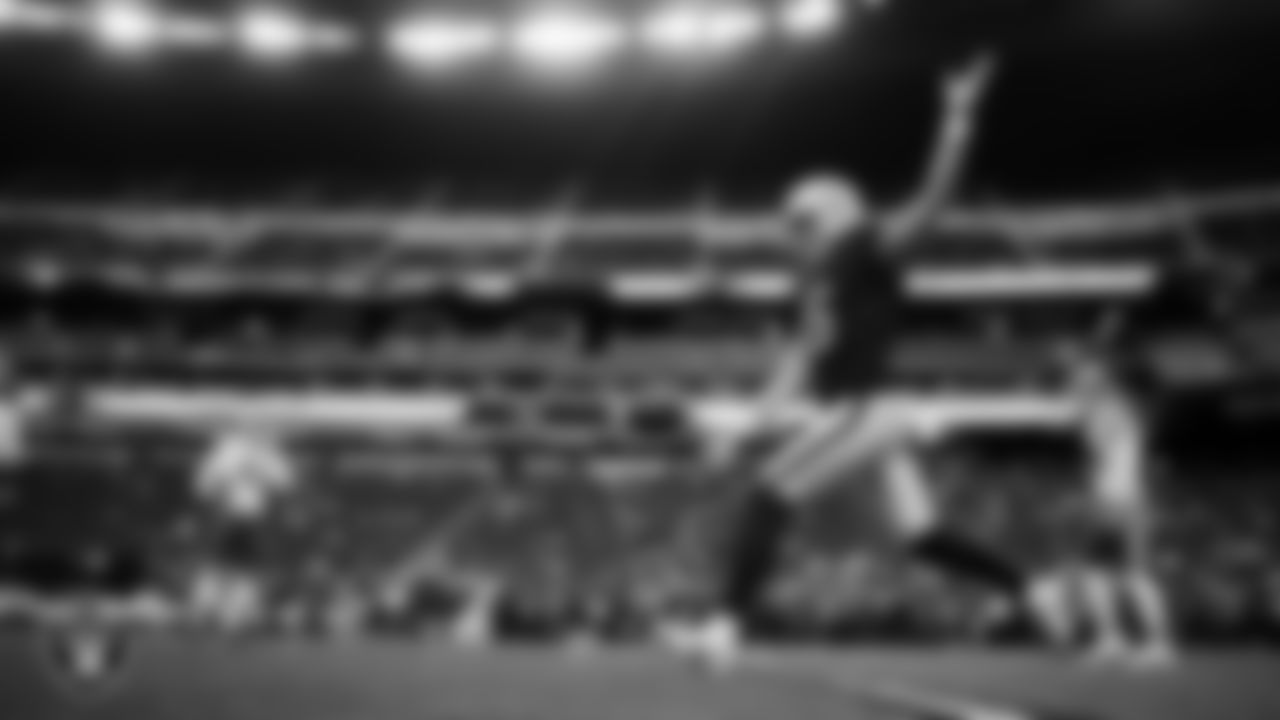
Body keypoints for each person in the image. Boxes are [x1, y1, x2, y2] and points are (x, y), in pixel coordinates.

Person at [672, 51, 1066, 668]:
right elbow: (798, 363)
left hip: (867, 407)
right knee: (921, 535)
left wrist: (956, 119)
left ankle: (724, 628)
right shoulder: (815, 281)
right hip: (858, 411)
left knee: (769, 493)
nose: (793, 233)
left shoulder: (863, 246)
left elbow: (933, 202)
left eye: (801, 221)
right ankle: (1030, 587)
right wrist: (748, 427)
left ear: (833, 212)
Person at [1057, 346, 1177, 668]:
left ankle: (1160, 645)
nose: (1074, 385)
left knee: (1135, 574)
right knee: (1095, 574)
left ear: (1100, 380)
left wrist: (1101, 498)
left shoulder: (1108, 409)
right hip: (1113, 499)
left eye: (1080, 379)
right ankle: (1110, 640)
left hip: (1122, 501)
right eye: (1075, 379)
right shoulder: (1105, 409)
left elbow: (1109, 459)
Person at [191, 421, 297, 631]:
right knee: (221, 566)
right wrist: (227, 478)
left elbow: (285, 484)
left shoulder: (267, 455)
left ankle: (236, 615)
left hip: (253, 521)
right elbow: (204, 487)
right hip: (227, 517)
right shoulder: (227, 452)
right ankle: (208, 610)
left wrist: (258, 469)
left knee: (244, 570)